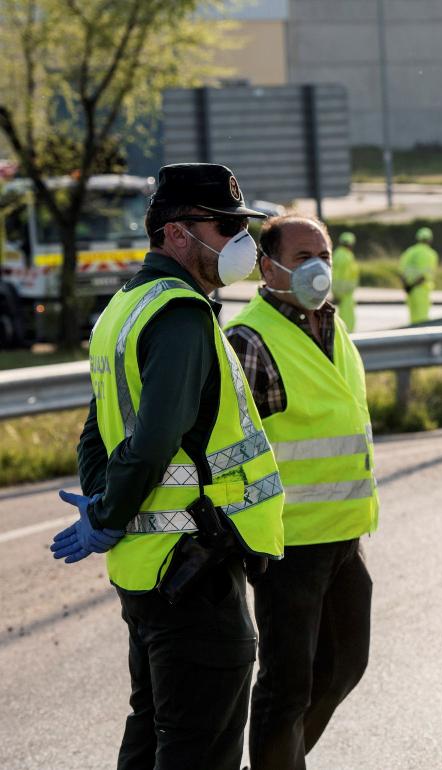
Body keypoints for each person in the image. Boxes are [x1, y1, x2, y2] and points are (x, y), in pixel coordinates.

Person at [51, 163, 285, 769]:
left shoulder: (125, 305)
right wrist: (106, 509)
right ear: (177, 232)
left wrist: (105, 508)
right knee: (195, 749)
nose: (241, 239)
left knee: (154, 732)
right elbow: (153, 441)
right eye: (227, 224)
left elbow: (95, 431)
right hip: (193, 574)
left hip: (148, 570)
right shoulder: (180, 314)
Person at [224, 215, 378, 770]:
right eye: (303, 256)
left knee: (344, 666)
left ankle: (276, 761)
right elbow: (227, 449)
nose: (317, 268)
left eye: (325, 256)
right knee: (286, 685)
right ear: (268, 266)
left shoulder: (333, 326)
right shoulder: (249, 339)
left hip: (343, 536)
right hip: (288, 545)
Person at [399, 226, 438, 324]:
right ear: (430, 240)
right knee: (422, 320)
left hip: (410, 290)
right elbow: (426, 275)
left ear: (418, 238)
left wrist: (407, 286)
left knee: (413, 319)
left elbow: (402, 270)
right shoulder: (430, 254)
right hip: (422, 290)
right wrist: (413, 285)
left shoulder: (409, 252)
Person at [332, 231, 359, 332]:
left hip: (342, 291)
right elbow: (344, 276)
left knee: (344, 314)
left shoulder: (337, 254)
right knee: (347, 315)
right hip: (345, 292)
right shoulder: (347, 256)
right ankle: (348, 334)